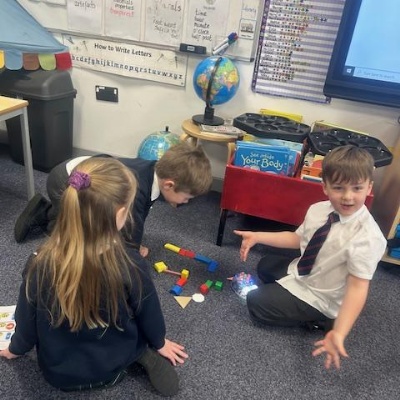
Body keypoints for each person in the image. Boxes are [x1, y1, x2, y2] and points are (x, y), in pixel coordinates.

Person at [1, 157, 188, 395]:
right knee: (132, 322)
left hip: (57, 374)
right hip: (113, 368)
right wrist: (159, 342)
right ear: (121, 214)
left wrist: (16, 349)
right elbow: (149, 312)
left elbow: (25, 320)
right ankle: (142, 352)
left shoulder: (39, 263)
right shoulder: (131, 263)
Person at [234, 145, 386, 370]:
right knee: (264, 265)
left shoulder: (368, 238)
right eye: (338, 188)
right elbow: (297, 239)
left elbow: (358, 288)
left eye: (357, 188)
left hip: (323, 297)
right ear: (325, 187)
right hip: (305, 271)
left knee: (255, 302)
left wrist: (339, 332)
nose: (348, 196)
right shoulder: (318, 210)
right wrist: (258, 236)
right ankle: (291, 296)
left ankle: (320, 319)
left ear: (369, 187)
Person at [14, 142, 213, 257]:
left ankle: (52, 211)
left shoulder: (155, 172)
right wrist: (133, 252)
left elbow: (139, 216)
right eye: (186, 198)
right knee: (78, 230)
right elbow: (131, 225)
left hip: (85, 169)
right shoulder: (138, 188)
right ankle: (45, 215)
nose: (186, 202)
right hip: (66, 180)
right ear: (169, 185)